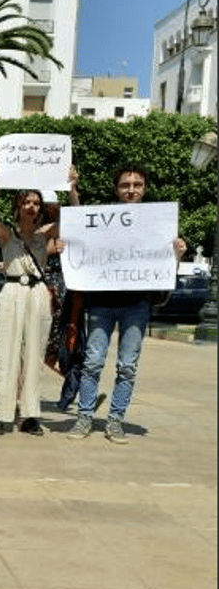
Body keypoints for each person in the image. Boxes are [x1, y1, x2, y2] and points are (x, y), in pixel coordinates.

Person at [68, 164, 186, 443]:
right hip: (102, 304)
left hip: (137, 305)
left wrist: (177, 254)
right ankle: (84, 417)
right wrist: (72, 192)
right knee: (93, 363)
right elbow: (78, 227)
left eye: (137, 185)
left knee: (128, 366)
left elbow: (165, 269)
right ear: (116, 189)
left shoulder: (159, 223)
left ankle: (115, 420)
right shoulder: (103, 218)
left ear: (144, 189)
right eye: (125, 185)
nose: (131, 189)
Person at [0, 180, 60, 437]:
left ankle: (30, 414)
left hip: (37, 292)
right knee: (5, 353)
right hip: (13, 290)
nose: (32, 207)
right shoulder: (7, 234)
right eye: (27, 202)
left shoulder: (45, 235)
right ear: (18, 205)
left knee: (34, 356)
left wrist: (71, 191)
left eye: (36, 203)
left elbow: (76, 221)